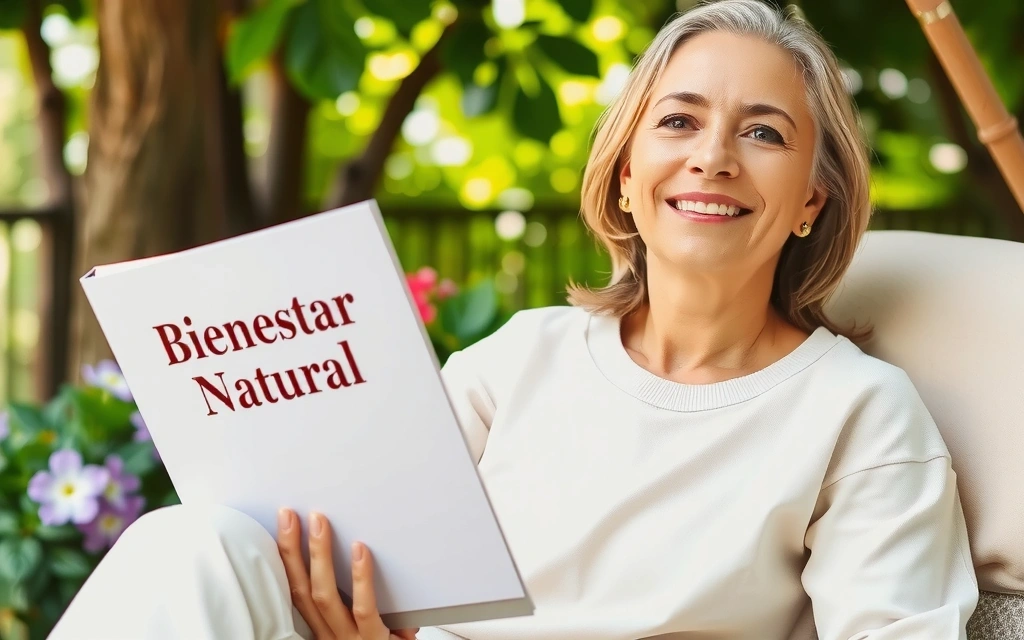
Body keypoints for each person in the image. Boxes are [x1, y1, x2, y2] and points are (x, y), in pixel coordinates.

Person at [49, 0, 980, 638]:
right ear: (626, 173)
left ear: (813, 201)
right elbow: (375, 554)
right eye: (679, 122)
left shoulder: (860, 413)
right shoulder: (521, 359)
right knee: (191, 540)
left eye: (765, 132)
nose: (714, 158)